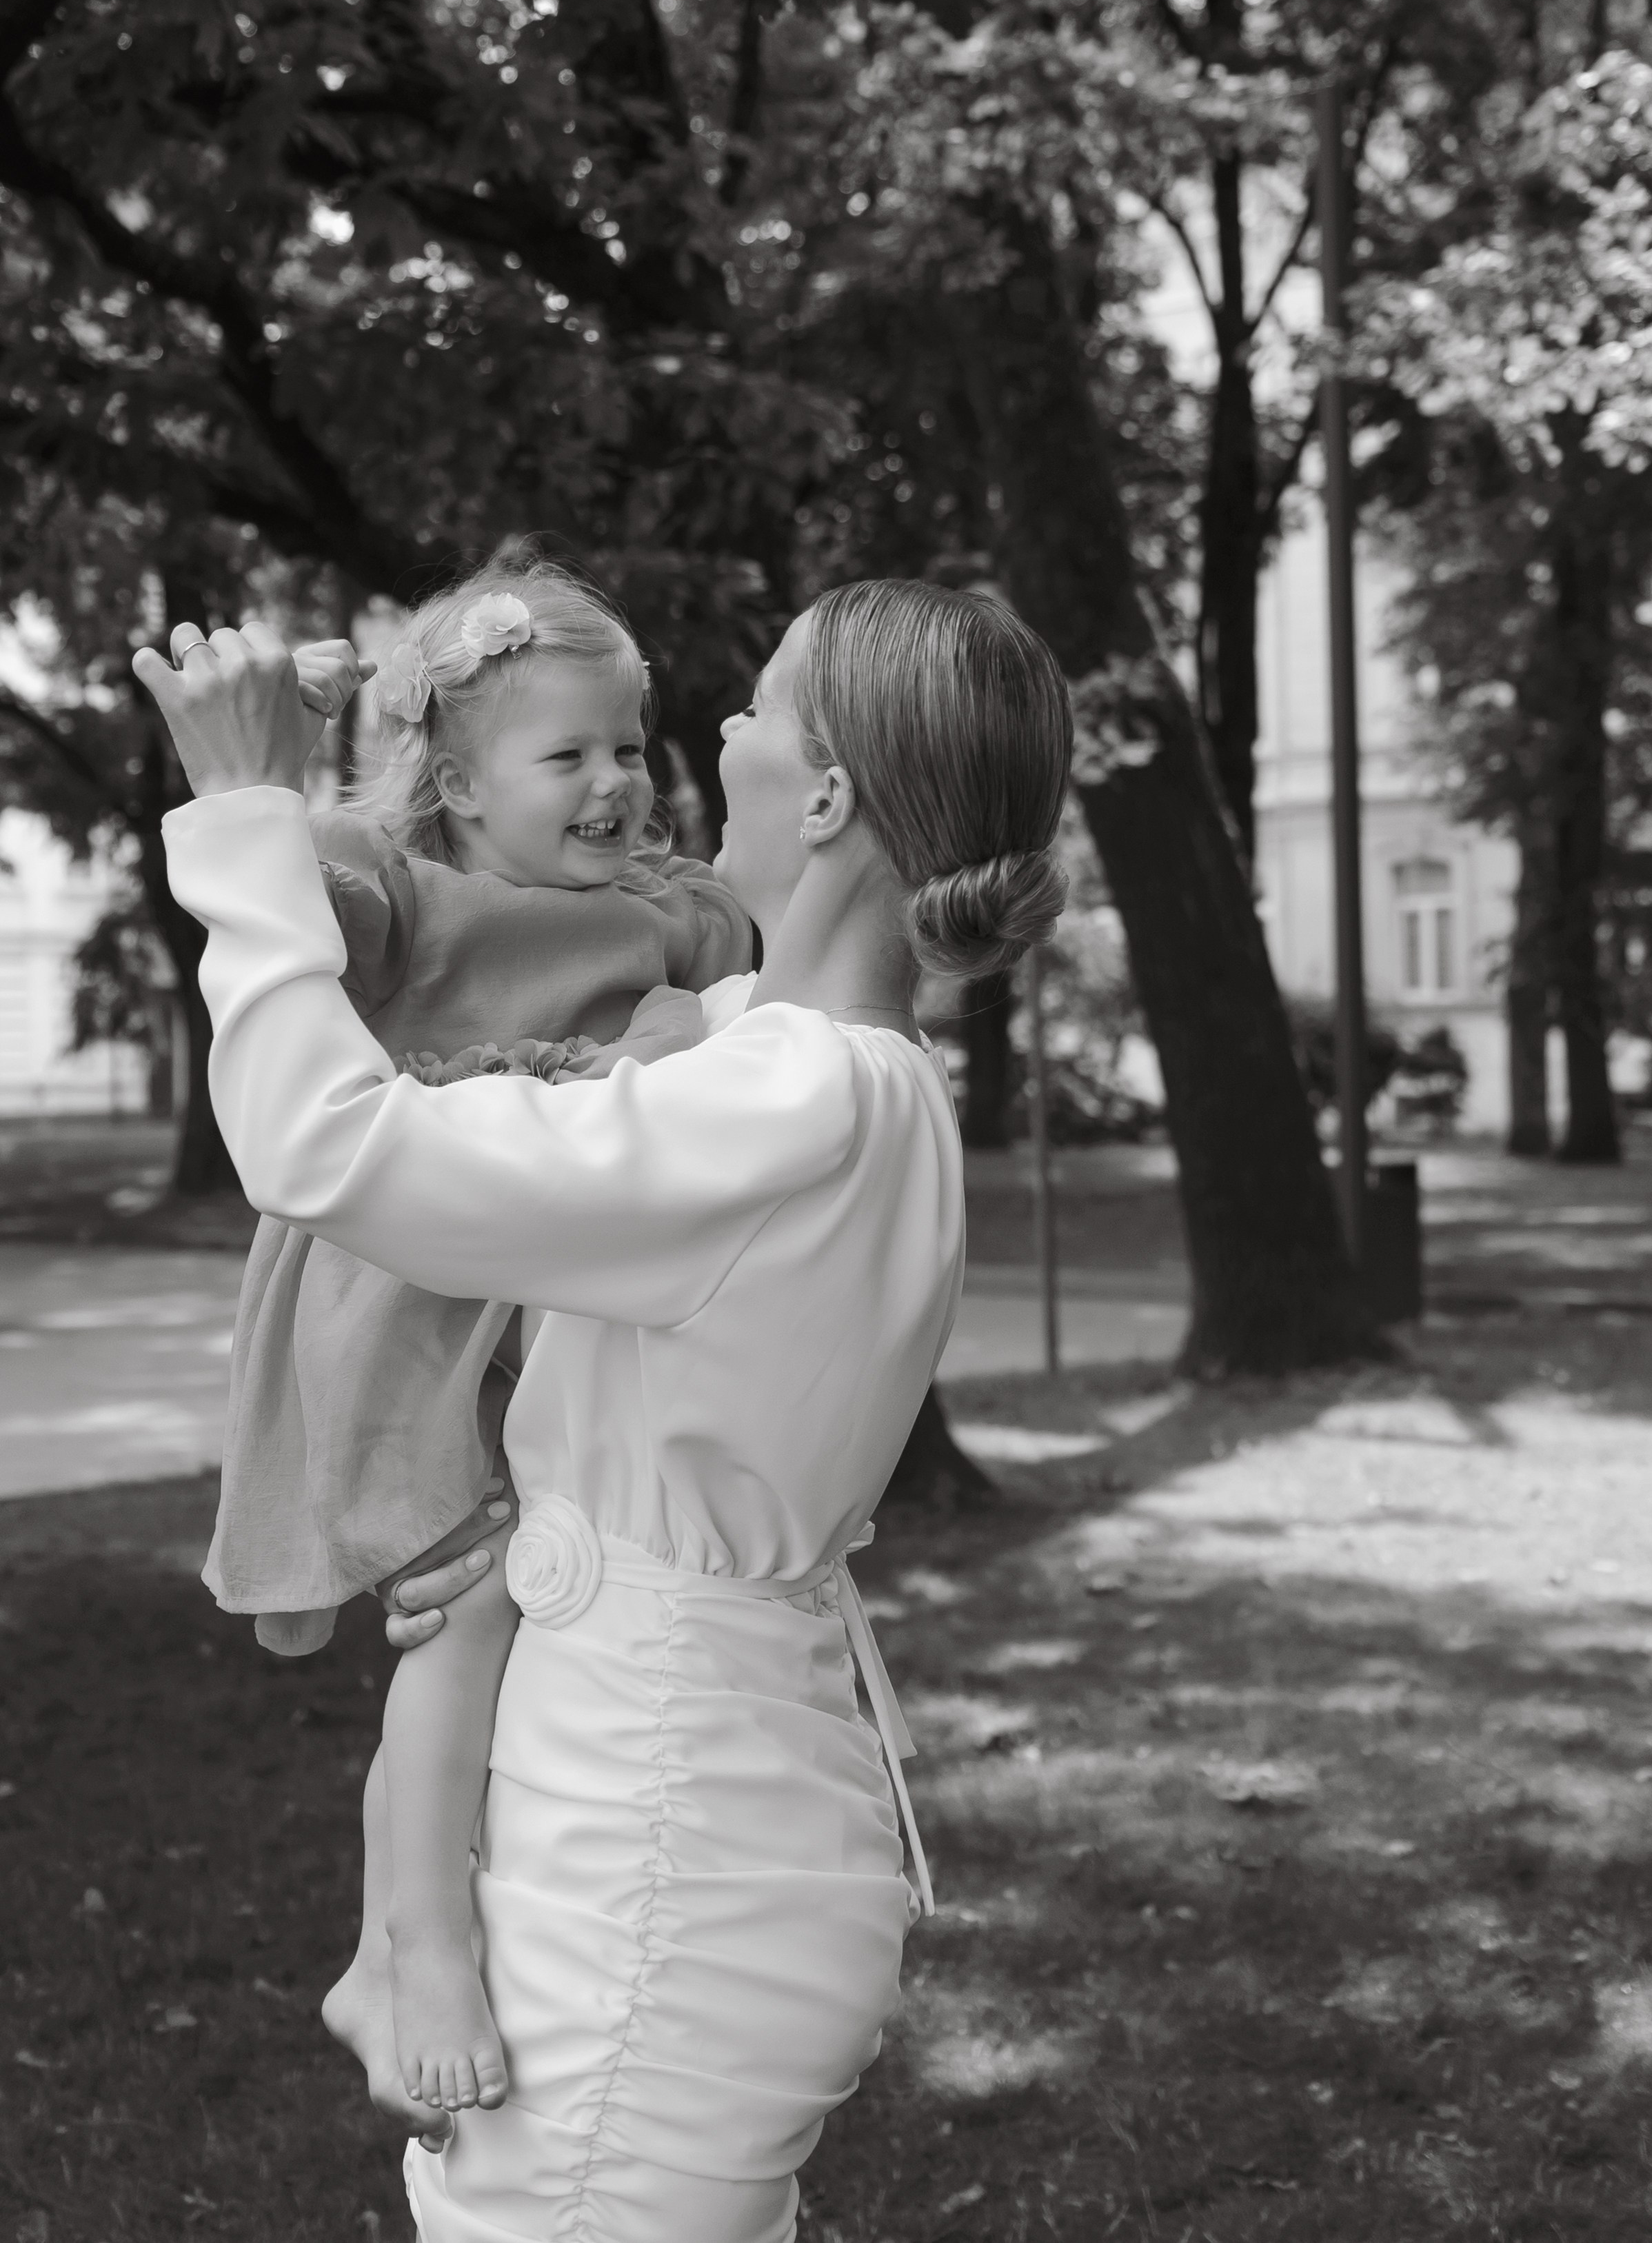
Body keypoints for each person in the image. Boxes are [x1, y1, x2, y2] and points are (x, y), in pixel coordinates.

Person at [137, 577, 1072, 2242]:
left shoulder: (788, 1100)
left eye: (758, 709)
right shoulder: (833, 1068)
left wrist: (238, 811)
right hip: (708, 1800)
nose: (714, 737)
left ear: (835, 792)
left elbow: (336, 1148)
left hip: (658, 1847)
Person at [215, 559, 749, 2126]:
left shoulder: (659, 907)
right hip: (412, 1304)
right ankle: (422, 1944)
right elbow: (307, 889)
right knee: (468, 1613)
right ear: (454, 779)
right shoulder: (411, 886)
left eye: (628, 746)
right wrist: (286, 774)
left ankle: (400, 1937)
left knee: (531, 1611)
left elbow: (789, 948)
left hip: (551, 1306)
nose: (612, 783)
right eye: (565, 755)